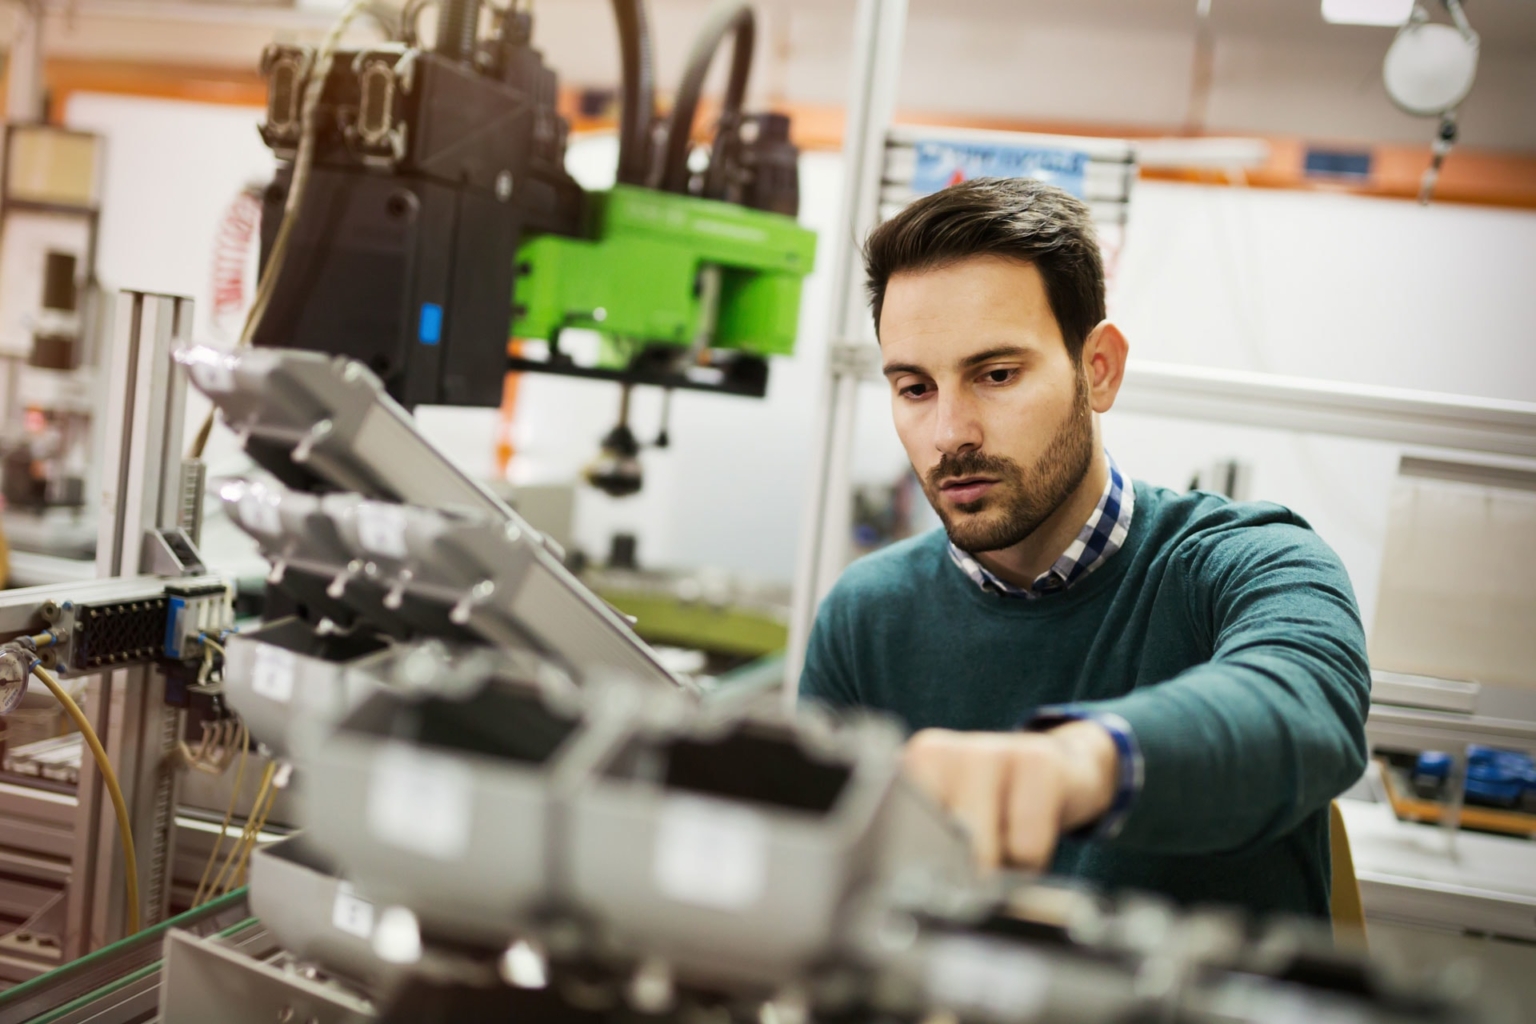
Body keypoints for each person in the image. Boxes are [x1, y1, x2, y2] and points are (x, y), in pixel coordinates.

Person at [798, 176, 1370, 919]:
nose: (949, 433)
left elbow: (1306, 706)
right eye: (914, 388)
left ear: (1098, 369)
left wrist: (1081, 760)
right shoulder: (865, 617)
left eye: (996, 374)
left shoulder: (1249, 563)